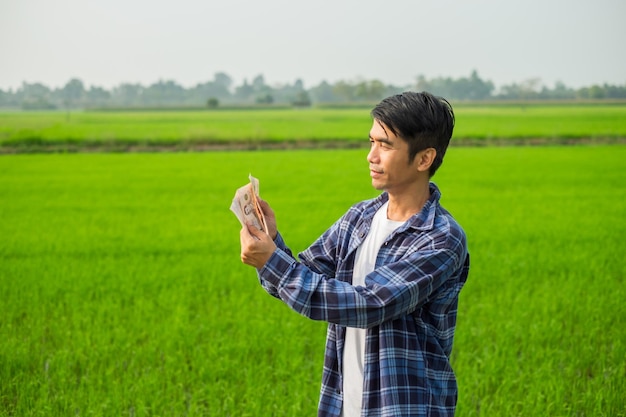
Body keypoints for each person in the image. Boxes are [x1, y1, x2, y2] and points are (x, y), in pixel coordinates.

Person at [239, 91, 470, 417]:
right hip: (345, 403)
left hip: (404, 407)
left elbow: (369, 304)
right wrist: (272, 241)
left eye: (385, 145)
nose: (371, 156)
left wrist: (272, 261)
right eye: (371, 141)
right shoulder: (360, 217)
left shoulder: (440, 239)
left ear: (424, 159)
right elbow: (302, 274)